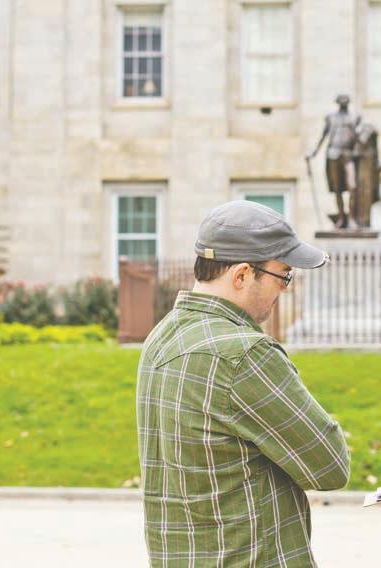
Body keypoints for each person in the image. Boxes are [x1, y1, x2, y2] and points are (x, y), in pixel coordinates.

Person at [136, 200, 350, 567]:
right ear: (241, 276)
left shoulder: (161, 338)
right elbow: (330, 465)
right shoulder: (245, 354)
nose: (285, 289)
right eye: (283, 275)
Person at [305, 94, 362, 229]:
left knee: (352, 187)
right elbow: (323, 136)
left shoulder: (355, 117)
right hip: (333, 154)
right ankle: (341, 218)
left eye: (345, 100)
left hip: (348, 154)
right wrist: (313, 153)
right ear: (337, 102)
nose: (343, 102)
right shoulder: (331, 117)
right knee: (337, 189)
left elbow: (359, 139)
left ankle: (351, 218)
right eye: (341, 100)